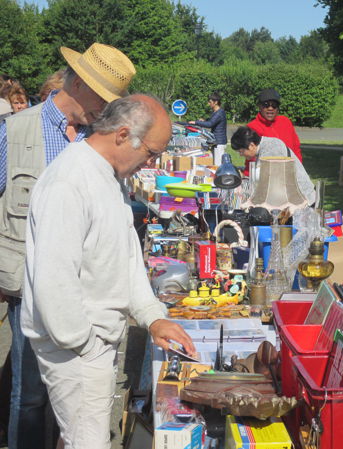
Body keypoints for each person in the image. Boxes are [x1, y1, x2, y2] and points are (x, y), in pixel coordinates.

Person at [21, 94, 196, 449]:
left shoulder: (106, 175)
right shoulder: (69, 181)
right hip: (77, 347)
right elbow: (53, 281)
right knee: (88, 442)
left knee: (84, 438)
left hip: (89, 342)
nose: (150, 162)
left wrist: (151, 316)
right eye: (150, 152)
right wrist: (85, 345)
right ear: (122, 134)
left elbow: (125, 255)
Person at [0, 42, 136, 449]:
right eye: (102, 98)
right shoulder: (16, 128)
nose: (107, 110)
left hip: (86, 290)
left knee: (77, 396)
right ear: (76, 82)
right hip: (30, 285)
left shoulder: (99, 138)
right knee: (30, 396)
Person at [231, 126, 315, 204]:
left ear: (251, 145)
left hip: (303, 200)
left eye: (241, 151)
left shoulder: (271, 149)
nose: (241, 155)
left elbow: (268, 186)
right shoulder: (264, 146)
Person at [246, 88, 302, 175]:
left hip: (290, 173)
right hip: (267, 176)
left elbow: (296, 148)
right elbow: (250, 157)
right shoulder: (252, 127)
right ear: (259, 106)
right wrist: (247, 174)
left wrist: (299, 169)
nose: (270, 108)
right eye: (266, 105)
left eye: (274, 105)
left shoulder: (286, 122)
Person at [189, 91, 227, 165]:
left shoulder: (219, 113)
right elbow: (211, 121)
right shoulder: (215, 112)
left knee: (218, 164)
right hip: (215, 142)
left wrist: (196, 122)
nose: (208, 104)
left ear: (215, 102)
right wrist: (204, 121)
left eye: (210, 102)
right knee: (214, 163)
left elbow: (210, 124)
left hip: (219, 143)